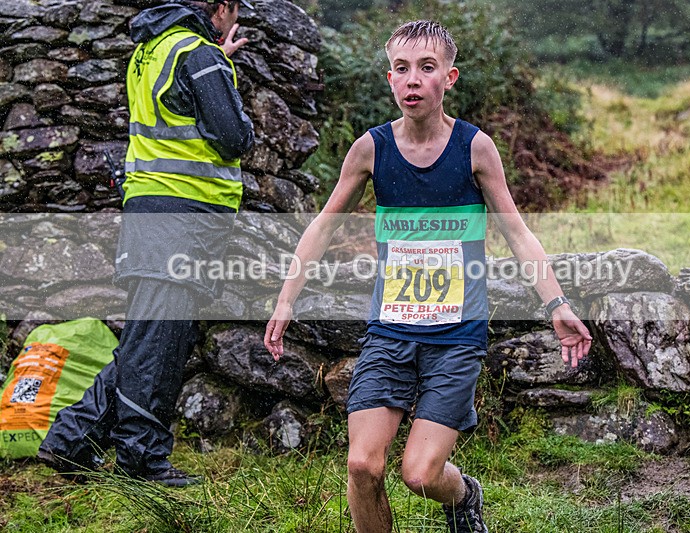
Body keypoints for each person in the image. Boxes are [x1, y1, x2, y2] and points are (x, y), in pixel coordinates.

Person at [264, 20, 592, 532]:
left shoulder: (475, 149)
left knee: (418, 473)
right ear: (389, 80)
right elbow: (321, 229)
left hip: (455, 338)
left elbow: (520, 234)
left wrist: (557, 305)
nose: (412, 79)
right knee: (362, 465)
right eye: (401, 69)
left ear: (449, 78)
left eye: (426, 68)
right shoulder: (370, 150)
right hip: (390, 330)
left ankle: (464, 497)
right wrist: (286, 301)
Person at [38, 0, 254, 487]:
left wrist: (215, 59)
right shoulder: (198, 55)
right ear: (220, 6)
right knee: (157, 343)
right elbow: (234, 136)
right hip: (184, 214)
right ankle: (142, 459)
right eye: (234, 8)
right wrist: (219, 67)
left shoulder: (152, 50)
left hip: (151, 210)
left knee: (146, 338)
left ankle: (70, 440)